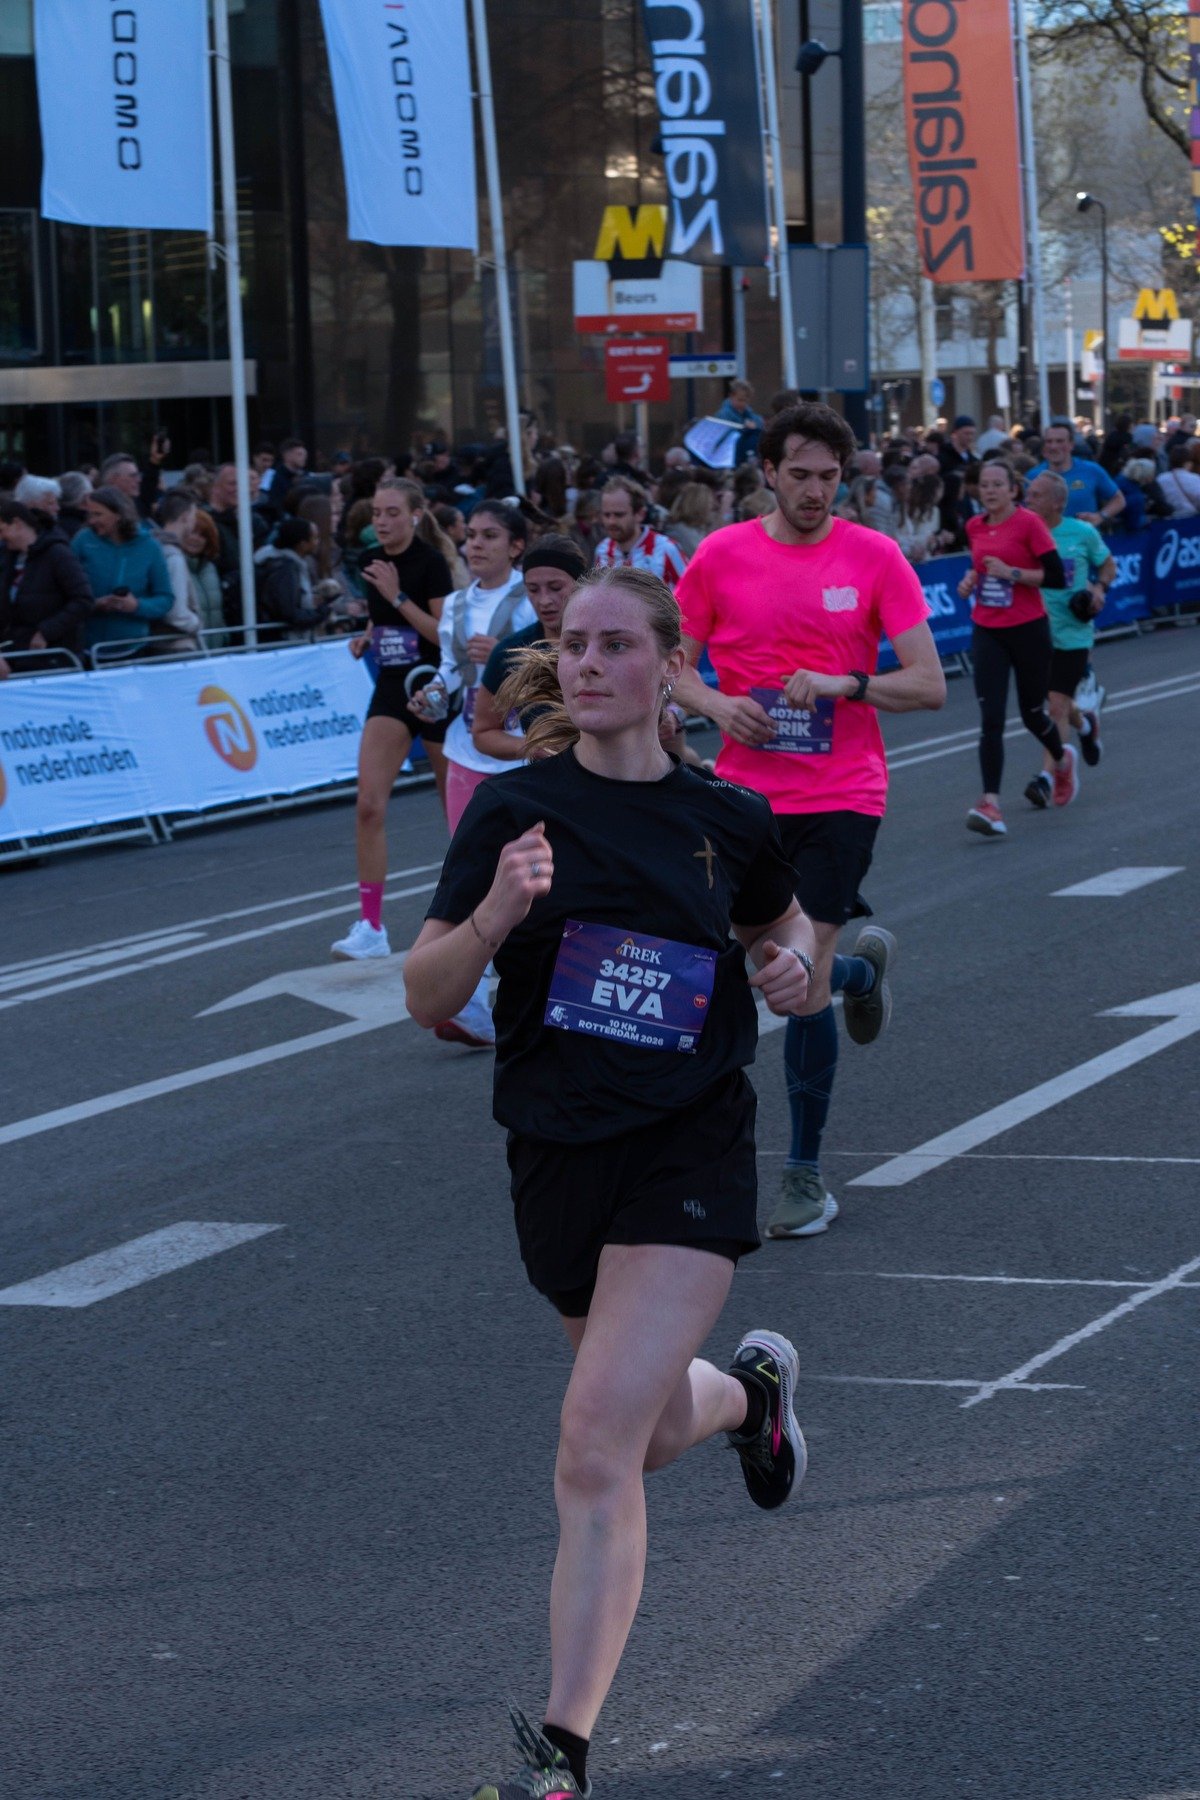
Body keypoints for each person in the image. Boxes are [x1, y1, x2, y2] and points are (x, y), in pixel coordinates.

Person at [404, 564, 817, 1800]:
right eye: (573, 644)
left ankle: (562, 1753)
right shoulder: (514, 813)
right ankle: (747, 1399)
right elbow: (426, 994)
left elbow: (783, 929)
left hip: (689, 1146)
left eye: (615, 645)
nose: (586, 663)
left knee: (593, 1447)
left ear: (668, 665)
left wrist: (791, 968)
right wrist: (494, 916)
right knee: (644, 1432)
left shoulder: (728, 816)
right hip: (556, 1151)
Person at [673, 402, 946, 1239]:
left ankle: (803, 1177)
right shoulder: (721, 556)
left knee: (799, 972)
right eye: (800, 475)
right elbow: (671, 667)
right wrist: (719, 706)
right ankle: (862, 977)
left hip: (842, 794)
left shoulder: (874, 557)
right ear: (768, 473)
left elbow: (930, 684)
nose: (816, 491)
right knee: (766, 961)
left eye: (829, 477)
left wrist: (848, 684)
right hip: (743, 798)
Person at [330, 477, 453, 962]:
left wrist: (398, 596)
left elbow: (443, 635)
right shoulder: (370, 560)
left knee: (458, 814)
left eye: (392, 513)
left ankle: (473, 917)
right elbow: (383, 619)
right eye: (376, 513)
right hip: (391, 687)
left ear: (415, 515)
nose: (381, 522)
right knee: (368, 805)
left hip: (435, 687)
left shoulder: (431, 562)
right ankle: (371, 926)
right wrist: (368, 635)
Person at [956, 461, 1071, 836]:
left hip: (1028, 630)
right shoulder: (974, 526)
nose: (989, 491)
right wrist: (971, 580)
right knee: (990, 719)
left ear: (1012, 490)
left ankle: (1061, 759)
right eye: (984, 485)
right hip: (988, 630)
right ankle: (990, 804)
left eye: (997, 485)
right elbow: (980, 566)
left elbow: (1057, 577)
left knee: (1032, 714)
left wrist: (1013, 573)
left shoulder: (1029, 524)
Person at [1024, 472, 1115, 793]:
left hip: (1074, 633)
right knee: (1056, 702)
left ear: (1058, 502)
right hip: (1034, 634)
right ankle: (1086, 725)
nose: (1028, 500)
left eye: (1036, 495)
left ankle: (1048, 777)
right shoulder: (1023, 534)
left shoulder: (1081, 532)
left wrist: (1099, 589)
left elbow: (1108, 565)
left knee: (1056, 706)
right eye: (1029, 494)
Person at [470, 535, 587, 764]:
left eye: (556, 588)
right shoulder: (513, 651)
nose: (544, 600)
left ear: (581, 584)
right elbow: (483, 733)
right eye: (533, 590)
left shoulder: (612, 640)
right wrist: (533, 746)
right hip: (550, 778)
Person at [74, 486, 173, 653]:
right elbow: (64, 592)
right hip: (87, 648)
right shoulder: (83, 541)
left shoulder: (149, 547)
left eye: (98, 514)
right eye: (89, 515)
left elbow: (165, 598)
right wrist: (93, 605)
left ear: (119, 515)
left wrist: (136, 606)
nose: (91, 521)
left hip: (134, 649)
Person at [0, 498, 94, 663]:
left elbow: (83, 600)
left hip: (53, 654)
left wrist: (46, 631)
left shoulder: (58, 554)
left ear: (17, 524)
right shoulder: (8, 558)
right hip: (17, 651)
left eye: (2, 530)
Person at [1028, 420, 1125, 527]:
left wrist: (1100, 516)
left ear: (1071, 445)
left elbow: (1119, 499)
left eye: (1060, 441)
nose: (1053, 446)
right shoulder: (1033, 476)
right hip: (1047, 536)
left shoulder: (1091, 470)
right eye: (1049, 441)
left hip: (1084, 536)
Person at [593, 478, 687, 586]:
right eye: (606, 515)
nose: (611, 521)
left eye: (619, 515)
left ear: (640, 514)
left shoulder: (667, 549)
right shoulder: (602, 550)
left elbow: (692, 590)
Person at [716, 379, 765, 465]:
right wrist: (744, 428)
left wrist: (754, 425)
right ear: (731, 396)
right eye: (740, 400)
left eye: (746, 401)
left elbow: (758, 421)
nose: (743, 403)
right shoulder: (724, 414)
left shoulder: (748, 412)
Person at [664, 481, 715, 559]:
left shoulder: (697, 529)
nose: (713, 507)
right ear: (700, 505)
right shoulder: (680, 532)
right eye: (709, 503)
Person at [1155, 443, 1200, 519]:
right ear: (1187, 462)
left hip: (1169, 518)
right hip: (1191, 517)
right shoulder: (1195, 478)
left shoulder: (1161, 478)